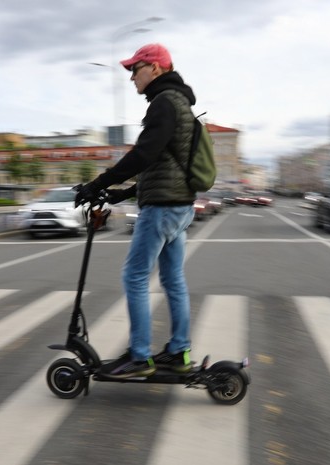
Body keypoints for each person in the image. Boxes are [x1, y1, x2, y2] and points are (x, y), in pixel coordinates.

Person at [75, 43, 197, 379]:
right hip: (179, 205)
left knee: (135, 276)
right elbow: (162, 162)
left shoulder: (164, 102)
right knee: (173, 280)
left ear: (155, 68)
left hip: (161, 209)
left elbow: (143, 154)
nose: (131, 77)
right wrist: (122, 193)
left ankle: (140, 357)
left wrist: (98, 183)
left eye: (135, 69)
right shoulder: (180, 102)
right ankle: (179, 351)